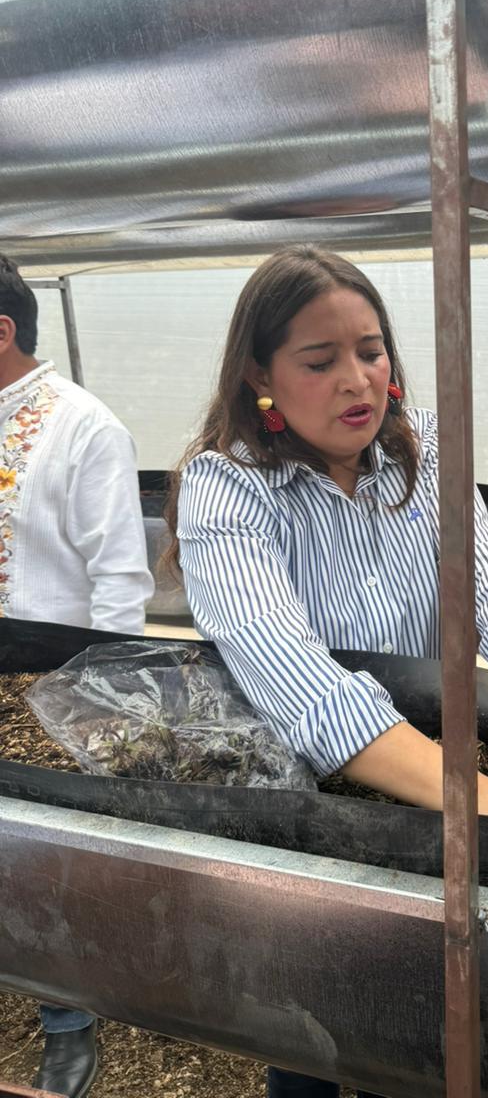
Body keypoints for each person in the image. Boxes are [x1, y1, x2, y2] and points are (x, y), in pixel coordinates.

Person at [166, 245, 488, 1098]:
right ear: (260, 374)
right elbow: (299, 680)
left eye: (371, 351)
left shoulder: (422, 449)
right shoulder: (226, 490)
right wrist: (486, 798)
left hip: (428, 770)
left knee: (417, 1024)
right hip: (314, 797)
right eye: (319, 361)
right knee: (314, 1020)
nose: (358, 381)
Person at [0, 255, 154, 1098]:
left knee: (36, 859)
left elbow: (120, 581)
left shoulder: (84, 427)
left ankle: (66, 1018)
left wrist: (99, 704)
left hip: (45, 688)